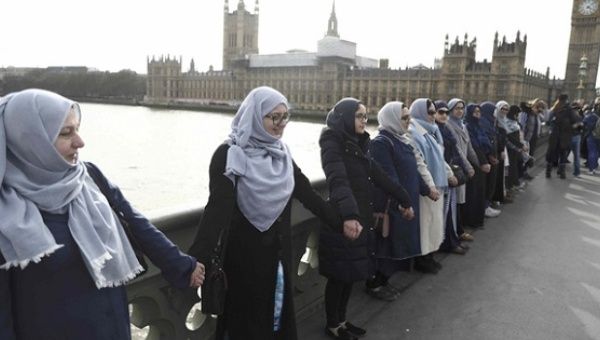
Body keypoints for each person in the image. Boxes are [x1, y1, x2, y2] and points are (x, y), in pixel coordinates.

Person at [0, 89, 205, 340]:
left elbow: (134, 221)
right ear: (29, 139)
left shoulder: (88, 176)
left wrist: (183, 266)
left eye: (77, 128)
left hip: (112, 327)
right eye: (66, 133)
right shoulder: (6, 208)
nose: (80, 141)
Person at [188, 86, 356, 340]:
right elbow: (216, 210)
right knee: (247, 327)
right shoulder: (229, 154)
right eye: (273, 117)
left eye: (284, 116)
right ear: (255, 115)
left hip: (278, 258)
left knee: (277, 325)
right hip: (243, 262)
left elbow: (307, 193)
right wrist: (197, 258)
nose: (280, 124)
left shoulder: (283, 154)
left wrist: (340, 222)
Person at [318, 97, 414, 340]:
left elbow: (379, 175)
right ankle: (332, 325)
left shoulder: (357, 143)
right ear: (346, 118)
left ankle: (342, 320)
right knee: (339, 276)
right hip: (343, 219)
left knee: (350, 273)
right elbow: (337, 180)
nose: (364, 120)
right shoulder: (332, 142)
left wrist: (404, 198)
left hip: (359, 218)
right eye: (359, 116)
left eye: (365, 116)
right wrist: (349, 215)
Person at [369, 101, 438, 296]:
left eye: (409, 117)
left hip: (405, 201)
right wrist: (403, 202)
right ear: (391, 118)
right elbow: (388, 177)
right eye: (404, 118)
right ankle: (375, 284)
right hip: (393, 205)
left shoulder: (402, 139)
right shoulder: (381, 143)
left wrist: (427, 190)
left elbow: (413, 172)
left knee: (398, 244)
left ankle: (384, 281)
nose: (408, 121)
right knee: (387, 245)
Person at [408, 98, 457, 271]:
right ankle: (422, 260)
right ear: (419, 112)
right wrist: (430, 186)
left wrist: (449, 173)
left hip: (437, 184)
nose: (433, 115)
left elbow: (439, 158)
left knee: (434, 223)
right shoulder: (413, 133)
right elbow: (420, 164)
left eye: (434, 112)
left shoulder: (431, 131)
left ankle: (429, 256)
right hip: (427, 188)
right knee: (425, 225)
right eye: (430, 112)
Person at [445, 99, 478, 243]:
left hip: (463, 167)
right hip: (456, 167)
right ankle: (457, 232)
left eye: (462, 108)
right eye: (456, 108)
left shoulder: (463, 126)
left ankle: (459, 230)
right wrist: (467, 166)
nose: (460, 111)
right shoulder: (448, 125)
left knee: (459, 201)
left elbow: (469, 147)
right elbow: (457, 150)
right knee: (455, 202)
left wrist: (477, 163)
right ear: (451, 110)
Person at [545, 94, 579, 179]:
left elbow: (548, 121)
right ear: (567, 100)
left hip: (554, 135)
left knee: (551, 153)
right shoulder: (569, 110)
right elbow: (575, 121)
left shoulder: (554, 109)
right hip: (565, 136)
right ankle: (562, 173)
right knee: (563, 153)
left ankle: (548, 172)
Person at [583, 98, 600, 175]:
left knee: (592, 152)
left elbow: (584, 123)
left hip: (592, 135)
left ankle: (591, 169)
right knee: (596, 152)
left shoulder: (593, 114)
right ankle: (595, 166)